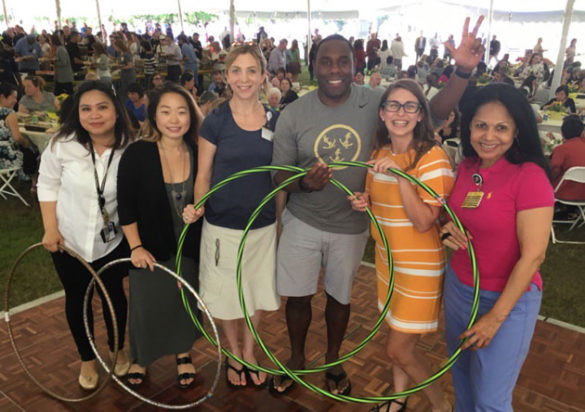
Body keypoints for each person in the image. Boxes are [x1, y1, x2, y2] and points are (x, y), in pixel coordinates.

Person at [270, 16, 486, 397]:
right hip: (304, 219)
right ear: (312, 64)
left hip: (351, 228)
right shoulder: (293, 113)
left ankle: (333, 362)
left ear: (355, 65)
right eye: (325, 61)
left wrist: (463, 71)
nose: (335, 69)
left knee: (340, 298)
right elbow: (279, 177)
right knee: (298, 298)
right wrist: (304, 182)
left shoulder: (377, 102)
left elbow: (432, 110)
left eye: (343, 61)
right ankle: (296, 360)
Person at [440, 83, 554, 412]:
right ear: (468, 126)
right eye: (481, 125)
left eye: (501, 127)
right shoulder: (466, 168)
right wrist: (447, 229)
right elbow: (452, 218)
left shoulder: (529, 176)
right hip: (459, 290)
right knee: (462, 384)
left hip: (508, 302)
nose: (489, 136)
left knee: (490, 401)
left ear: (517, 130)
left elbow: (534, 254)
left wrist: (494, 318)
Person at [349, 79, 454, 412]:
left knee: (399, 349)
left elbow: (424, 221)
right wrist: (364, 201)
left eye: (410, 106)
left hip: (418, 270)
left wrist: (401, 176)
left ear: (421, 114)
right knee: (395, 334)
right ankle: (398, 398)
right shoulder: (379, 153)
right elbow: (380, 203)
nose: (401, 113)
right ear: (382, 112)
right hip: (387, 263)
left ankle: (441, 405)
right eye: (393, 105)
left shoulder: (433, 157)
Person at [182, 44, 283, 388]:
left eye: (251, 71)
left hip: (262, 224)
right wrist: (198, 205)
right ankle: (235, 353)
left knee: (254, 293)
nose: (244, 78)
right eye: (236, 71)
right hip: (223, 224)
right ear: (226, 76)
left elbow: (279, 176)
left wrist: (279, 220)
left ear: (263, 76)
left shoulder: (275, 119)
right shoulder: (215, 121)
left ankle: (251, 351)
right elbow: (203, 174)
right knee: (227, 293)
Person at [37, 80, 134, 390]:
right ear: (77, 113)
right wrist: (50, 228)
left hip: (113, 241)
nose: (95, 115)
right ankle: (87, 359)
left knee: (114, 297)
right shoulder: (62, 144)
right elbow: (47, 184)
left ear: (116, 111)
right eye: (86, 109)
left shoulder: (131, 147)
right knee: (78, 299)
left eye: (102, 107)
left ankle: (117, 349)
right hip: (69, 241)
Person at [117, 83, 203, 388]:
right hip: (149, 246)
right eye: (165, 112)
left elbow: (207, 193)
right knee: (146, 305)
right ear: (153, 116)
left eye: (181, 112)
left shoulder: (197, 151)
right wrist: (135, 246)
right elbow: (125, 204)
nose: (174, 119)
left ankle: (183, 354)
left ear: (191, 116)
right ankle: (142, 356)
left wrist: (201, 208)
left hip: (189, 245)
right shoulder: (138, 153)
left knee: (183, 302)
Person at [0, 82, 34, 177]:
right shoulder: (10, 114)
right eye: (13, 97)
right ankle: (32, 181)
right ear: (2, 97)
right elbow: (17, 138)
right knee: (33, 150)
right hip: (6, 158)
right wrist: (26, 143)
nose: (16, 101)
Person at [550, 115, 585, 203]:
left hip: (562, 193)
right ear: (581, 133)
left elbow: (554, 172)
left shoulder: (561, 149)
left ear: (562, 133)